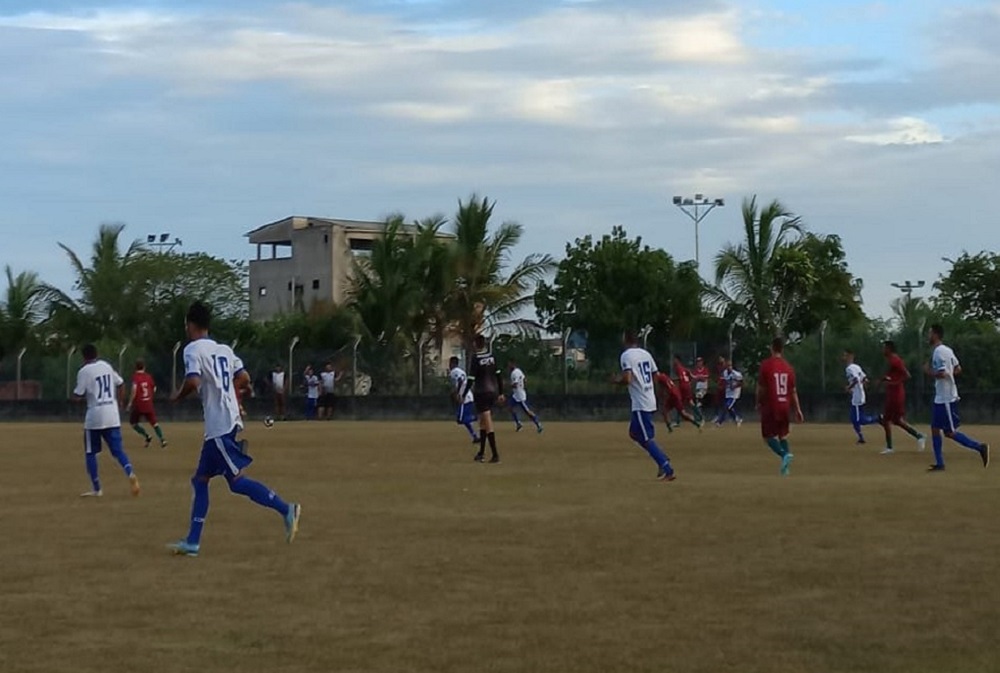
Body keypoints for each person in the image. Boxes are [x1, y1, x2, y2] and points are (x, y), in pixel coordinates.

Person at [168, 301, 301, 557]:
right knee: (200, 480)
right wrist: (228, 389)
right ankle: (192, 542)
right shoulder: (224, 349)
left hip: (219, 425)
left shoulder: (192, 349)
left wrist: (177, 396)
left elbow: (193, 380)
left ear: (190, 325)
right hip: (225, 422)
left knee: (237, 481)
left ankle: (287, 509)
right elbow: (244, 377)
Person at [73, 344, 140, 498]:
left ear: (83, 357)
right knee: (118, 451)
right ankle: (130, 473)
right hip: (112, 414)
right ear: (97, 354)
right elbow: (121, 383)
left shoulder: (84, 371)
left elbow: (78, 394)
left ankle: (97, 489)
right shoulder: (106, 365)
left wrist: (76, 398)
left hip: (94, 417)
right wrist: (120, 401)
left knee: (91, 452)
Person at [925, 324, 989, 472]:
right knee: (935, 428)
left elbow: (942, 374)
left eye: (929, 333)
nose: (928, 336)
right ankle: (940, 463)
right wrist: (950, 375)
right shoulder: (947, 350)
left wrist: (929, 371)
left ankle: (980, 447)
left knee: (949, 432)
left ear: (935, 335)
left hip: (946, 398)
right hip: (941, 397)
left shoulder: (938, 352)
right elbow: (958, 368)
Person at [615, 331, 675, 481]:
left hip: (641, 403)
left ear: (625, 340)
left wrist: (616, 381)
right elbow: (656, 375)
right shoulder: (645, 353)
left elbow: (628, 379)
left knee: (647, 437)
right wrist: (650, 389)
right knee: (634, 433)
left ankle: (666, 467)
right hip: (648, 398)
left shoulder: (626, 355)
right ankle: (661, 457)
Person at [757, 337, 803, 476]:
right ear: (782, 349)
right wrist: (798, 409)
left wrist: (758, 402)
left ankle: (784, 454)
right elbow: (793, 391)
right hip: (785, 406)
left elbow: (761, 388)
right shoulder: (788, 367)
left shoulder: (766, 365)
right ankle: (785, 468)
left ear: (771, 348)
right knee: (783, 435)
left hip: (771, 405)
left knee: (767, 437)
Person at [877, 340, 926, 455]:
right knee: (896, 421)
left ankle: (890, 447)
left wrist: (893, 383)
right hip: (893, 394)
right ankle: (919, 436)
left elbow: (907, 375)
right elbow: (892, 376)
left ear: (889, 349)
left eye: (884, 348)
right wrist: (884, 380)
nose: (882, 350)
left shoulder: (895, 360)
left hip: (896, 394)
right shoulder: (891, 360)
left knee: (886, 420)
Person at [465, 335, 505, 463]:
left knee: (487, 422)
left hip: (481, 393)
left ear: (476, 344)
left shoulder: (476, 358)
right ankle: (481, 453)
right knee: (482, 422)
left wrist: (464, 393)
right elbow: (498, 375)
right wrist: (501, 392)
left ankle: (495, 454)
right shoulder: (492, 356)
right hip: (492, 392)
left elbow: (471, 378)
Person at [127, 359, 167, 449]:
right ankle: (162, 439)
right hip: (148, 403)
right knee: (154, 423)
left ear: (135, 367)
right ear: (144, 367)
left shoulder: (135, 377)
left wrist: (130, 403)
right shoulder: (148, 377)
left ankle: (147, 436)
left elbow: (134, 390)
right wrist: (150, 395)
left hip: (138, 404)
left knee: (133, 423)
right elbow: (154, 388)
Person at [843, 350, 879, 444]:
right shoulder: (857, 367)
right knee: (853, 418)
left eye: (846, 356)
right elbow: (865, 379)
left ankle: (878, 418)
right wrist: (862, 386)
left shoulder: (849, 368)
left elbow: (855, 379)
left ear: (851, 357)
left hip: (857, 396)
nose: (844, 358)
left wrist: (849, 388)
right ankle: (861, 437)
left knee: (859, 420)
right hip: (859, 395)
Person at [448, 356, 479, 444]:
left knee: (460, 419)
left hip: (464, 398)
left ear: (453, 363)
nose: (449, 365)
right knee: (464, 420)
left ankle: (477, 417)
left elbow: (460, 381)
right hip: (468, 396)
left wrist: (458, 393)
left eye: (450, 363)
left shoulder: (454, 371)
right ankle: (475, 436)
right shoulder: (462, 371)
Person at [508, 361, 543, 433]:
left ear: (513, 364)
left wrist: (507, 385)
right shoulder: (519, 371)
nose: (508, 366)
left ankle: (538, 424)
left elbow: (515, 385)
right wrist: (522, 386)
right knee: (510, 407)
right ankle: (518, 423)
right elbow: (525, 379)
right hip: (516, 395)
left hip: (520, 396)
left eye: (509, 364)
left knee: (528, 412)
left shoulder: (514, 373)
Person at [714, 360, 743, 426]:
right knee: (729, 408)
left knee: (726, 406)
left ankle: (720, 421)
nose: (729, 367)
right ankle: (737, 419)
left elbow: (741, 383)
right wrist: (722, 386)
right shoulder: (725, 373)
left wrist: (734, 386)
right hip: (728, 393)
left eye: (730, 366)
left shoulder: (736, 374)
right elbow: (724, 381)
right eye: (727, 366)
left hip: (734, 394)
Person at [673, 355, 699, 425]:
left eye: (675, 359)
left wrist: (672, 381)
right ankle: (700, 417)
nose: (674, 361)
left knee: (679, 402)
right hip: (687, 386)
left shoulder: (678, 368)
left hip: (683, 387)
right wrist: (689, 382)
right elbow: (691, 376)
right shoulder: (684, 368)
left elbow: (681, 378)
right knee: (690, 402)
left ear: (677, 360)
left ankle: (677, 421)